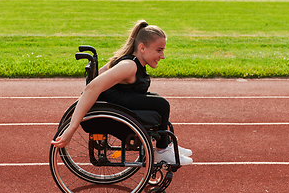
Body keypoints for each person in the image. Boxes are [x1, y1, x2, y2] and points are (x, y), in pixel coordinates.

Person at [51, 20, 193, 165]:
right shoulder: (129, 65)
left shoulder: (131, 62)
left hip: (117, 101)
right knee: (162, 104)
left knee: (157, 100)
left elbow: (99, 73)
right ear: (142, 48)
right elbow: (91, 87)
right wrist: (71, 128)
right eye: (159, 50)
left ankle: (165, 146)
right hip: (105, 113)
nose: (162, 56)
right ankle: (163, 150)